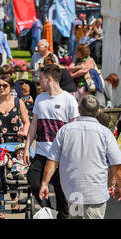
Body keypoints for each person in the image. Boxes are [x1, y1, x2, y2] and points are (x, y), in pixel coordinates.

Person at [39, 94, 121, 219]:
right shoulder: (105, 133)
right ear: (98, 111)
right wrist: (120, 186)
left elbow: (52, 161)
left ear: (79, 110)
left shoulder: (65, 130)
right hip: (96, 194)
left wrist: (45, 183)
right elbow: (117, 165)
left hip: (73, 192)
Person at [24, 64, 79, 219]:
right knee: (33, 180)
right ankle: (48, 211)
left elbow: (74, 127)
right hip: (42, 153)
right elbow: (34, 125)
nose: (38, 81)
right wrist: (27, 147)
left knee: (62, 195)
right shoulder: (40, 99)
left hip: (61, 157)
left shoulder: (69, 99)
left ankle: (61, 216)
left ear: (48, 79)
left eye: (40, 78)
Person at [0, 75, 30, 144]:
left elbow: (26, 122)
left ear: (11, 87)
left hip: (16, 144)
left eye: (4, 85)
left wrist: (24, 132)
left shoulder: (18, 102)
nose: (1, 88)